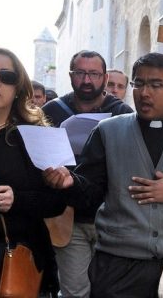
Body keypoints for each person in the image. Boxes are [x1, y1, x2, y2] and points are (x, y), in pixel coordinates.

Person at [44, 52, 163, 297]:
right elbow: (90, 193)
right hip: (117, 266)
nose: (145, 92)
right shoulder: (107, 132)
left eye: (155, 85)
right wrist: (70, 184)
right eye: (139, 83)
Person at [0, 46, 66, 296]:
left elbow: (58, 202)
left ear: (17, 88)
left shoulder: (38, 135)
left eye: (7, 77)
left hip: (19, 257)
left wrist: (18, 199)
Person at [42, 50, 132, 298]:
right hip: (67, 217)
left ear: (104, 77)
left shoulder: (122, 113)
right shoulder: (52, 111)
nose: (87, 80)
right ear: (71, 75)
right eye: (80, 73)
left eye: (93, 74)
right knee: (74, 292)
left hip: (112, 217)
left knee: (111, 291)